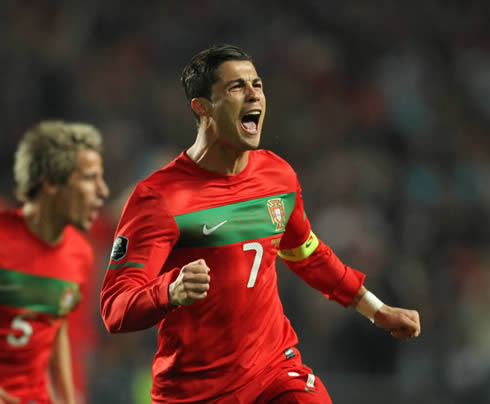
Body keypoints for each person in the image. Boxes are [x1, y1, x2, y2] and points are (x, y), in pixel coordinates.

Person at [100, 44, 421, 403]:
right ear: (202, 108)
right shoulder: (159, 197)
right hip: (194, 392)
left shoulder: (277, 177)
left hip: (273, 372)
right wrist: (169, 291)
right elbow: (115, 308)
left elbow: (308, 255)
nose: (254, 93)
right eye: (236, 87)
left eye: (257, 84)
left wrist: (378, 311)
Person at [0, 121, 109, 404]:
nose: (102, 191)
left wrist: (67, 398)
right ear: (49, 182)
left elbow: (55, 325)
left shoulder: (80, 254)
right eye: (89, 179)